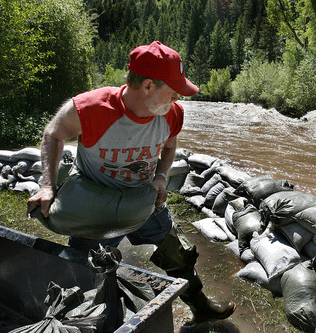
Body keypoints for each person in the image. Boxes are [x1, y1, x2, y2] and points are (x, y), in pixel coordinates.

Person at [26, 41, 236, 322]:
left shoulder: (172, 114)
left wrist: (161, 177)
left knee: (177, 256)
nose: (176, 98)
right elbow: (53, 134)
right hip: (94, 204)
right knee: (82, 270)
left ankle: (200, 307)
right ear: (148, 86)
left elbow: (170, 147)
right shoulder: (91, 109)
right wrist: (49, 186)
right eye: (172, 91)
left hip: (144, 201)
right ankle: (81, 320)